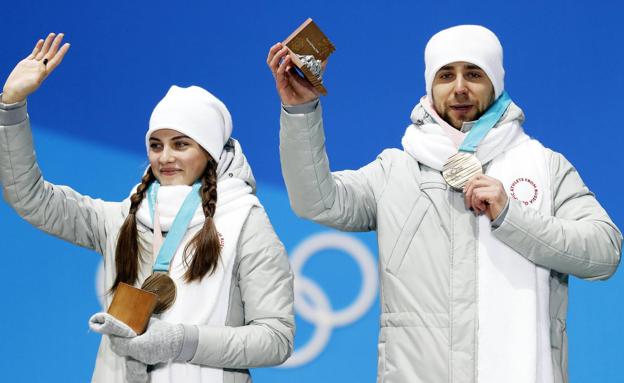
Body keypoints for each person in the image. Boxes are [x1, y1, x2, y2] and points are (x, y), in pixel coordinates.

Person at [267, 25, 622, 383]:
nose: (459, 87)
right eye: (446, 75)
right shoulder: (395, 171)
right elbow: (316, 201)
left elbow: (604, 252)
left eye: (474, 74)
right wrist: (301, 112)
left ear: (495, 83)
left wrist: (512, 216)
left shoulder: (544, 166)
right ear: (430, 85)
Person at [1, 33, 294, 383]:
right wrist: (11, 108)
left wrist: (179, 341)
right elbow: (31, 198)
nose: (165, 157)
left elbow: (275, 339)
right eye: (156, 145)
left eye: (181, 144)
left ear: (210, 150)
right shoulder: (123, 219)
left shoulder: (245, 221)